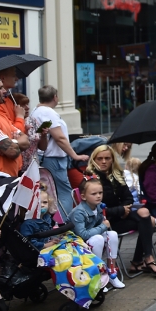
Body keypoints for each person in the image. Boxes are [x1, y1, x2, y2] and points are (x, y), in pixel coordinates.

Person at [85, 145, 156, 276]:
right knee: (146, 221)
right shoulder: (90, 180)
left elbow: (128, 197)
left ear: (112, 160)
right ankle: (141, 261)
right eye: (100, 158)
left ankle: (143, 259)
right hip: (105, 222)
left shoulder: (116, 175)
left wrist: (124, 209)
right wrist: (121, 210)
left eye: (107, 158)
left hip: (121, 216)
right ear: (94, 160)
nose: (103, 161)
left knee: (146, 215)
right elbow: (95, 210)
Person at [33, 85, 89, 220]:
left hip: (46, 158)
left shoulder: (36, 111)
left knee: (50, 193)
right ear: (55, 97)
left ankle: (52, 223)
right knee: (64, 193)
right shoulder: (48, 113)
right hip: (53, 159)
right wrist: (75, 155)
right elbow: (60, 138)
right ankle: (63, 224)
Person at [69, 178, 125, 288]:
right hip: (78, 244)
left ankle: (111, 271)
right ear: (83, 197)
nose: (98, 196)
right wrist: (103, 226)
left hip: (92, 239)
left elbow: (99, 227)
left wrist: (103, 226)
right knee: (98, 238)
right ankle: (98, 274)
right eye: (94, 194)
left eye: (100, 193)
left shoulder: (99, 206)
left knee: (112, 234)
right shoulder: (79, 212)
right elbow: (82, 235)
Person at [0, 66, 27, 135]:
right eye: (13, 76)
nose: (16, 79)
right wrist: (20, 116)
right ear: (3, 78)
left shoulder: (8, 100)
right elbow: (13, 133)